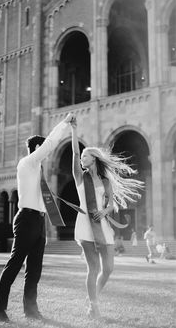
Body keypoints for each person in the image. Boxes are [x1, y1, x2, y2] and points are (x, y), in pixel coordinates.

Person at [0, 112, 74, 322]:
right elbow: (52, 143)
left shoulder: (37, 172)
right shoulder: (26, 163)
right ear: (37, 149)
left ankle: (31, 310)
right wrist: (65, 122)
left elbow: (44, 198)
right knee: (14, 266)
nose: (46, 152)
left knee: (34, 270)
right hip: (26, 220)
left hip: (39, 220)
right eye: (43, 148)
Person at [70, 117, 144, 321]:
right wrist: (74, 130)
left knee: (109, 268)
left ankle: (92, 297)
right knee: (93, 268)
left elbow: (111, 204)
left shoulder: (104, 181)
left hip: (102, 225)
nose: (82, 159)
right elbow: (75, 152)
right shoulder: (79, 176)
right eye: (82, 156)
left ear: (93, 159)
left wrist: (105, 211)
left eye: (85, 156)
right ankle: (94, 307)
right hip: (85, 225)